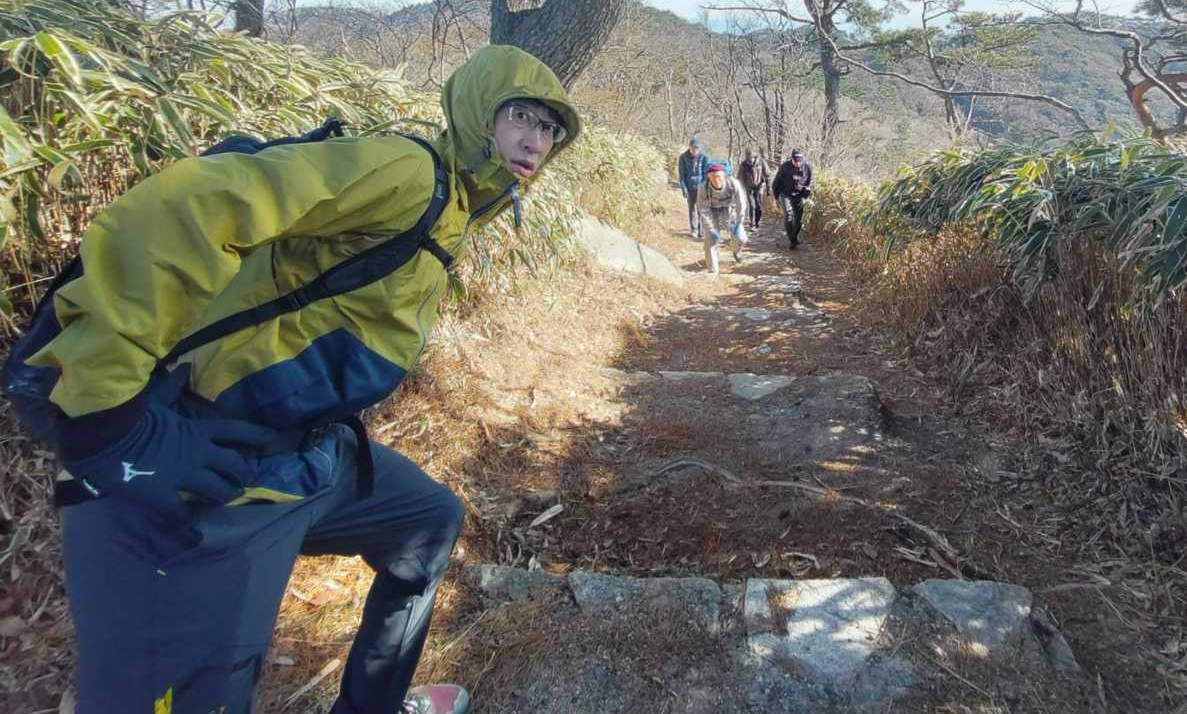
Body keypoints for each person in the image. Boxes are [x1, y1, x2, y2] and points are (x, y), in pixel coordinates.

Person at [21, 46, 581, 714]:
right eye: (520, 116)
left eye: (550, 127)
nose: (535, 139)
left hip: (298, 451)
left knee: (428, 520)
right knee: (192, 693)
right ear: (477, 113)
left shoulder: (458, 211)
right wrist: (103, 416)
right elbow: (191, 203)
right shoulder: (408, 172)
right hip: (195, 453)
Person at [698, 161, 747, 275]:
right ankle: (713, 270)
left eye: (719, 176)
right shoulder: (703, 188)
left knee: (741, 238)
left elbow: (741, 204)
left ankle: (736, 250)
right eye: (713, 177)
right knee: (710, 240)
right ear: (709, 177)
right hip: (711, 211)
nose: (716, 179)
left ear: (724, 175)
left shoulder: (733, 184)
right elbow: (703, 210)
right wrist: (711, 229)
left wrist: (739, 223)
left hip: (729, 209)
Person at [772, 147, 814, 250]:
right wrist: (776, 198)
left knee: (799, 219)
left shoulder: (807, 167)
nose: (798, 163)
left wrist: (805, 193)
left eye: (800, 161)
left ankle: (794, 238)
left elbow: (810, 182)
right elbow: (776, 183)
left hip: (799, 195)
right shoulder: (784, 167)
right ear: (792, 159)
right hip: (785, 194)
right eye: (795, 161)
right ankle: (792, 239)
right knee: (788, 213)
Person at [676, 136, 710, 239]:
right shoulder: (683, 157)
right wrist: (684, 188)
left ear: (699, 148)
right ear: (689, 147)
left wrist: (706, 186)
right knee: (692, 208)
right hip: (689, 186)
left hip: (701, 186)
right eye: (693, 147)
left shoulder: (704, 157)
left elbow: (706, 173)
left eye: (697, 148)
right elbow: (681, 175)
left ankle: (701, 231)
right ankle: (694, 229)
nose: (695, 150)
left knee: (701, 209)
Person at [737, 145, 771, 231]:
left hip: (759, 186)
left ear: (755, 156)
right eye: (748, 158)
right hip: (748, 187)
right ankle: (752, 224)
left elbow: (767, 174)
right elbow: (739, 177)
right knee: (752, 205)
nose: (750, 160)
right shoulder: (743, 164)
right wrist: (742, 187)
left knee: (758, 205)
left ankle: (757, 222)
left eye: (751, 157)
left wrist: (768, 188)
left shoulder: (761, 162)